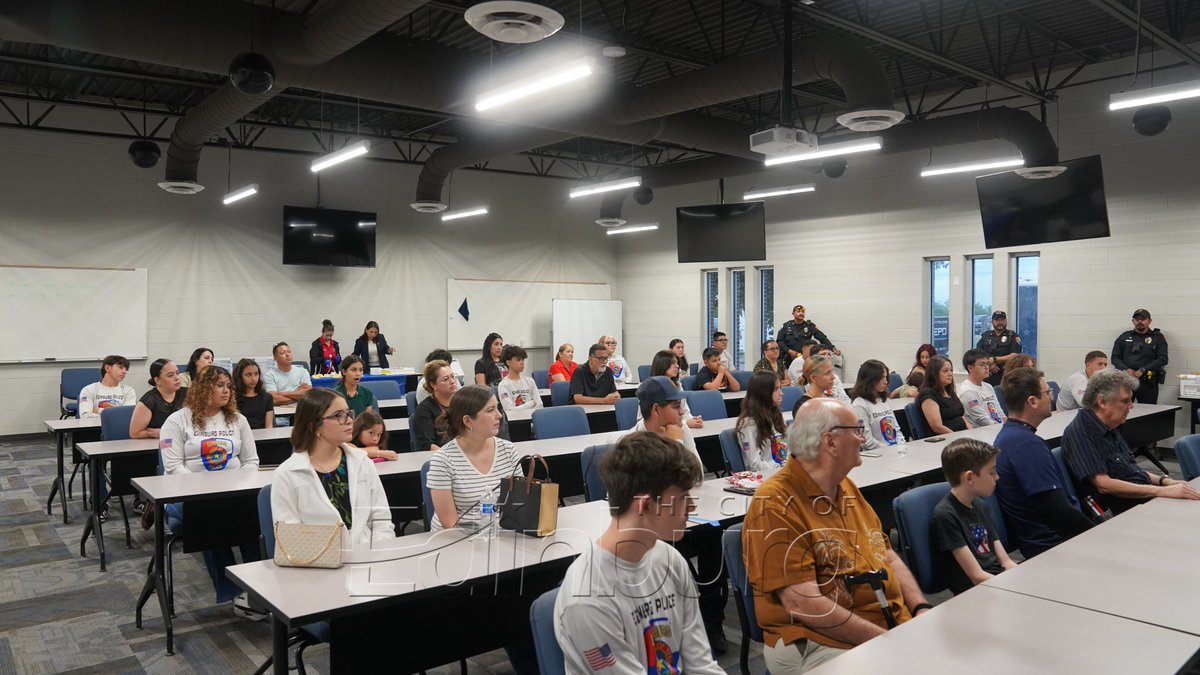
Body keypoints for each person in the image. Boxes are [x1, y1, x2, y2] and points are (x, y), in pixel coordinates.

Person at [743, 399, 929, 673]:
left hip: (882, 623)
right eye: (856, 429)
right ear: (830, 442)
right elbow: (803, 604)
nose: (863, 437)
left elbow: (886, 552)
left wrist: (920, 607)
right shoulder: (774, 503)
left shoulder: (844, 485)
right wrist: (888, 642)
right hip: (818, 639)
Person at [554, 432, 722, 675]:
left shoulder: (670, 559)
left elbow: (700, 664)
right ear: (645, 505)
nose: (693, 506)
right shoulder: (587, 597)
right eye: (683, 498)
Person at [158, 366, 261, 615]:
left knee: (255, 513)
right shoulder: (176, 421)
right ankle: (234, 592)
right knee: (210, 514)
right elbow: (173, 468)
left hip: (233, 494)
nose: (226, 390)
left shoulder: (237, 420)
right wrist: (207, 489)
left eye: (228, 386)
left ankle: (258, 586)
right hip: (188, 496)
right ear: (204, 388)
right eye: (220, 385)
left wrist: (237, 487)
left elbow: (251, 462)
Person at [272, 388, 395, 552]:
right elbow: (290, 539)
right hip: (317, 566)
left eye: (348, 413)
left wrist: (378, 556)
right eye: (339, 415)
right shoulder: (287, 474)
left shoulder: (362, 463)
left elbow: (382, 521)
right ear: (313, 425)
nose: (350, 420)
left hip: (366, 559)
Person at [1061, 370, 1200, 515]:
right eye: (1125, 401)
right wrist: (1162, 491)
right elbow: (1104, 485)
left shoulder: (1109, 426)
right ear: (1102, 402)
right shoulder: (1081, 432)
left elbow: (1130, 469)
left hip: (1142, 499)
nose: (1131, 406)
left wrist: (1164, 481)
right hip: (1123, 512)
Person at [993, 367, 1094, 558]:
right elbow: (1058, 509)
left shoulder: (1015, 437)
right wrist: (1098, 534)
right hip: (1052, 546)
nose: (1052, 398)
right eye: (1047, 393)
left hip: (1056, 539)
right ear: (1032, 401)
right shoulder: (1024, 444)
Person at [425, 385, 523, 531]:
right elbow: (450, 524)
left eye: (497, 408)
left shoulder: (508, 450)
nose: (499, 415)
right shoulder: (443, 460)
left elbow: (519, 504)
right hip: (458, 541)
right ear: (468, 421)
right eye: (490, 410)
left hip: (500, 535)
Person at [932, 438, 1018, 595]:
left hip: (996, 580)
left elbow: (1005, 561)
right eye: (991, 472)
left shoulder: (981, 506)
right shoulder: (946, 515)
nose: (997, 477)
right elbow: (976, 576)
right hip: (975, 592)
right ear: (969, 478)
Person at [613, 375, 698, 458]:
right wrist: (676, 444)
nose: (682, 412)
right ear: (656, 410)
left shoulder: (682, 429)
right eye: (676, 407)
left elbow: (697, 471)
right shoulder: (630, 446)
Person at [1111, 308, 1168, 404]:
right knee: (1122, 409)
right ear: (1133, 321)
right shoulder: (1124, 337)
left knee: (1148, 412)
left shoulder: (1157, 338)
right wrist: (1126, 369)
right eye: (1137, 319)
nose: (1140, 321)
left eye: (1143, 319)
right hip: (1126, 381)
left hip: (1148, 383)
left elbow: (1163, 359)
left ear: (1149, 321)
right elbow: (1115, 358)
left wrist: (1143, 369)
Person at [849, 359, 908, 453]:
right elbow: (866, 441)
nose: (886, 382)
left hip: (893, 451)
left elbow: (896, 430)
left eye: (886, 377)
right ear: (869, 380)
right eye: (881, 378)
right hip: (877, 454)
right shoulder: (859, 405)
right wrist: (890, 449)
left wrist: (902, 445)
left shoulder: (884, 400)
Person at [736, 371, 788, 471]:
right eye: (776, 389)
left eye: (780, 388)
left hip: (782, 472)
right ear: (764, 393)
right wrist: (781, 470)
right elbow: (754, 464)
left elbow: (786, 450)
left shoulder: (776, 415)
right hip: (766, 477)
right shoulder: (748, 424)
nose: (781, 393)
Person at [130, 358, 186, 438]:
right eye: (170, 375)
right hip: (157, 445)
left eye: (177, 373)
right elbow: (135, 433)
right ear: (158, 380)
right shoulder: (149, 400)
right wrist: (153, 433)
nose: (177, 378)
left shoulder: (189, 394)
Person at [412, 360, 458, 453]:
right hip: (442, 457)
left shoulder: (461, 403)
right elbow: (429, 445)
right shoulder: (424, 410)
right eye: (446, 379)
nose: (452, 381)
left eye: (453, 376)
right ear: (433, 385)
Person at [649, 349, 702, 428]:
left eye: (677, 363)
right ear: (662, 365)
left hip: (678, 426)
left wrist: (693, 420)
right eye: (673, 363)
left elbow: (685, 410)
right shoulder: (649, 388)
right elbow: (646, 419)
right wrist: (685, 423)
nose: (677, 366)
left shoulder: (678, 385)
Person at [918, 355, 967, 433]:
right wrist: (959, 439)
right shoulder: (928, 394)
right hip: (945, 438)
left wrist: (971, 433)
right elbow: (937, 427)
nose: (950, 373)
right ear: (934, 373)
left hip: (961, 435)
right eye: (945, 371)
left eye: (951, 370)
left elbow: (960, 416)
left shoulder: (949, 391)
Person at [958, 348, 1006, 427]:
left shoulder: (988, 386)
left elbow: (1000, 413)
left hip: (997, 428)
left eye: (987, 364)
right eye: (982, 364)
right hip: (981, 433)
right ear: (970, 368)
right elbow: (984, 420)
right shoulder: (967, 391)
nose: (986, 367)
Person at [78, 354, 137, 418]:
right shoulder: (88, 390)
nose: (124, 371)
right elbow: (85, 416)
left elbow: (127, 415)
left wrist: (98, 410)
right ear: (107, 368)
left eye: (126, 369)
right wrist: (115, 416)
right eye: (120, 367)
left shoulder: (129, 391)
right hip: (94, 427)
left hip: (119, 427)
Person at [976, 310, 1022, 386]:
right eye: (997, 320)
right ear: (992, 322)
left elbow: (1015, 355)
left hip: (1006, 376)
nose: (1000, 322)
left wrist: (994, 359)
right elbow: (978, 354)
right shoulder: (985, 336)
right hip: (987, 375)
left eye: (1002, 320)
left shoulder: (1013, 336)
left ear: (1006, 321)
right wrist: (989, 364)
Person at [496, 345, 543, 412]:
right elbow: (510, 410)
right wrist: (531, 403)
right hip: (515, 421)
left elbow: (540, 405)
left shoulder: (530, 381)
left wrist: (523, 408)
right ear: (508, 362)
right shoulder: (503, 385)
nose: (522, 363)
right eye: (518, 360)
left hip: (532, 419)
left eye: (523, 359)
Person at [232, 358, 274, 430]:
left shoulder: (267, 397)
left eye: (256, 374)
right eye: (248, 375)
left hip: (263, 437)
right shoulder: (232, 398)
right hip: (240, 437)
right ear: (239, 376)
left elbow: (269, 426)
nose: (254, 378)